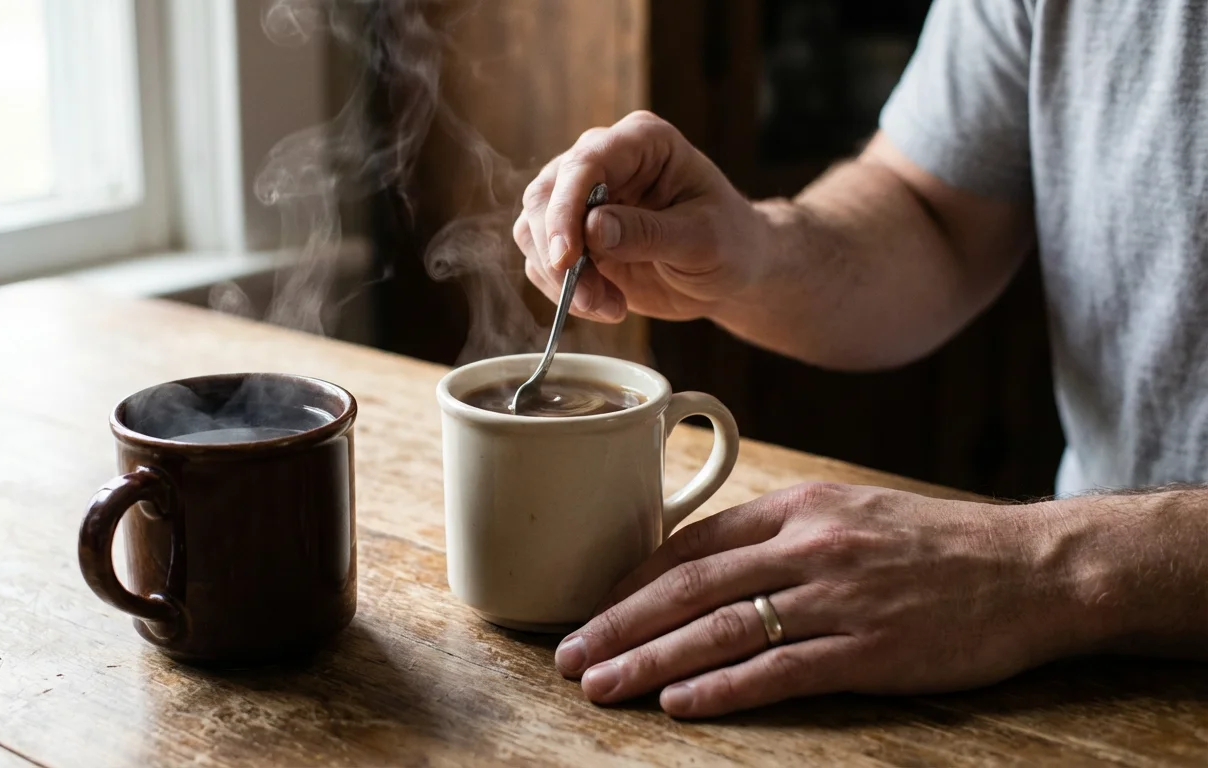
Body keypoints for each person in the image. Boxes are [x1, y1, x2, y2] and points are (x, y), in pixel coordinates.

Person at [513, 0, 1208, 719]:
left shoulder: (1039, 578)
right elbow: (934, 210)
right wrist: (754, 253)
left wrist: (1040, 569)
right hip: (1085, 668)